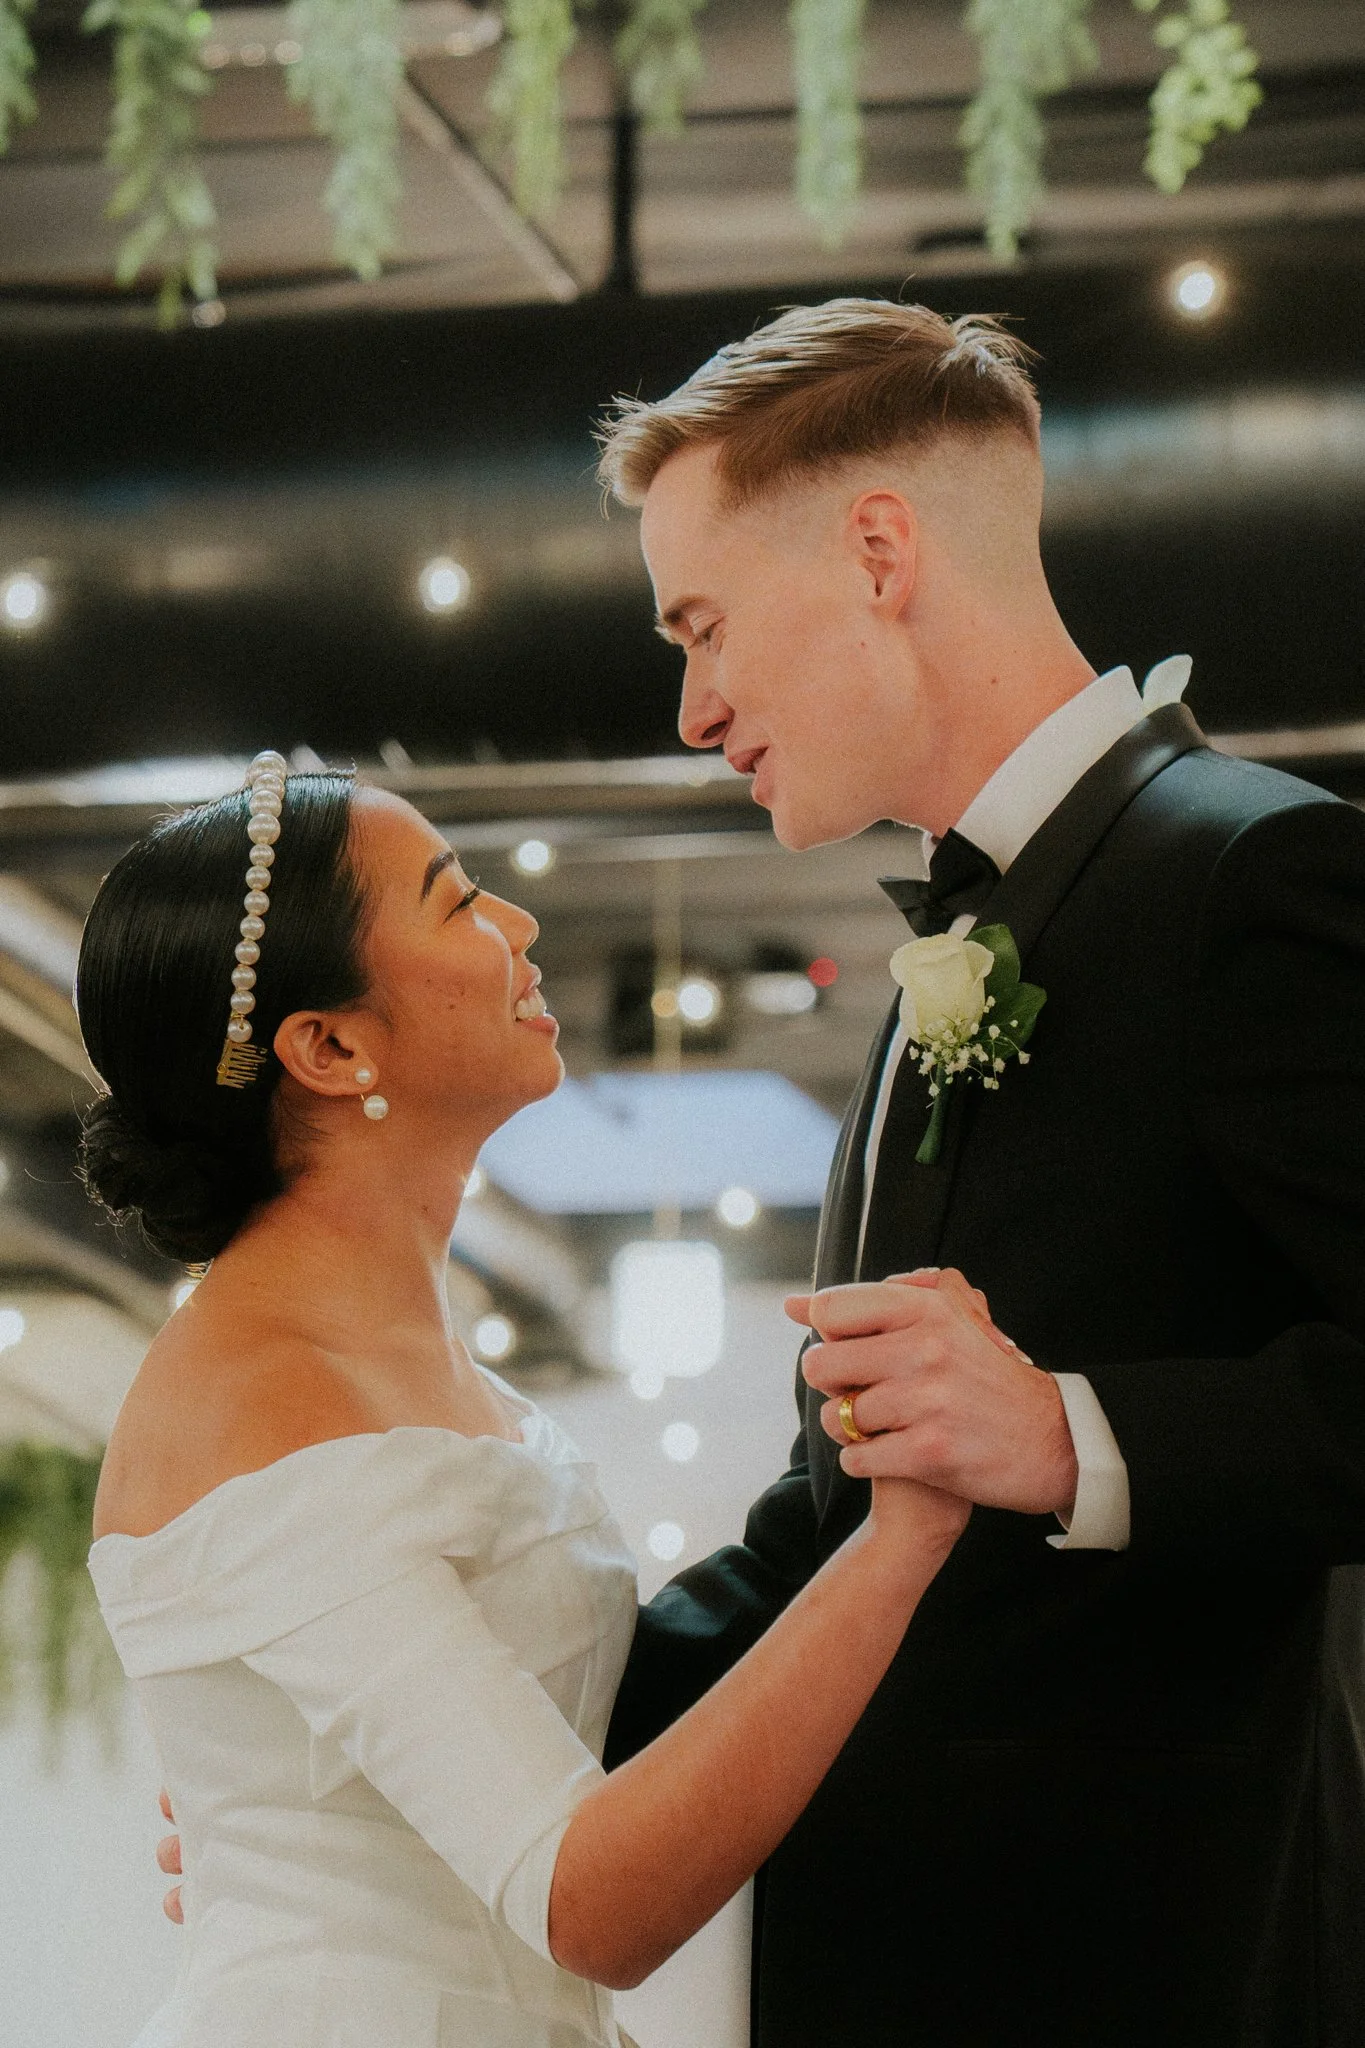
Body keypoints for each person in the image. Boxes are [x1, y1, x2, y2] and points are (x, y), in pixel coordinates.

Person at [594, 299, 1365, 2047]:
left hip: (1159, 1973)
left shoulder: (1259, 878)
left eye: (702, 625)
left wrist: (1072, 1433)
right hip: (888, 1965)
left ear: (879, 549)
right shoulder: (952, 937)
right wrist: (439, 1743)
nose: (697, 705)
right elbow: (829, 1523)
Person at [82, 759, 968, 2048]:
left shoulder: (423, 1365)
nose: (522, 926)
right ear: (330, 1047)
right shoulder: (267, 1395)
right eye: (459, 901)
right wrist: (903, 1540)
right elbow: (589, 1904)